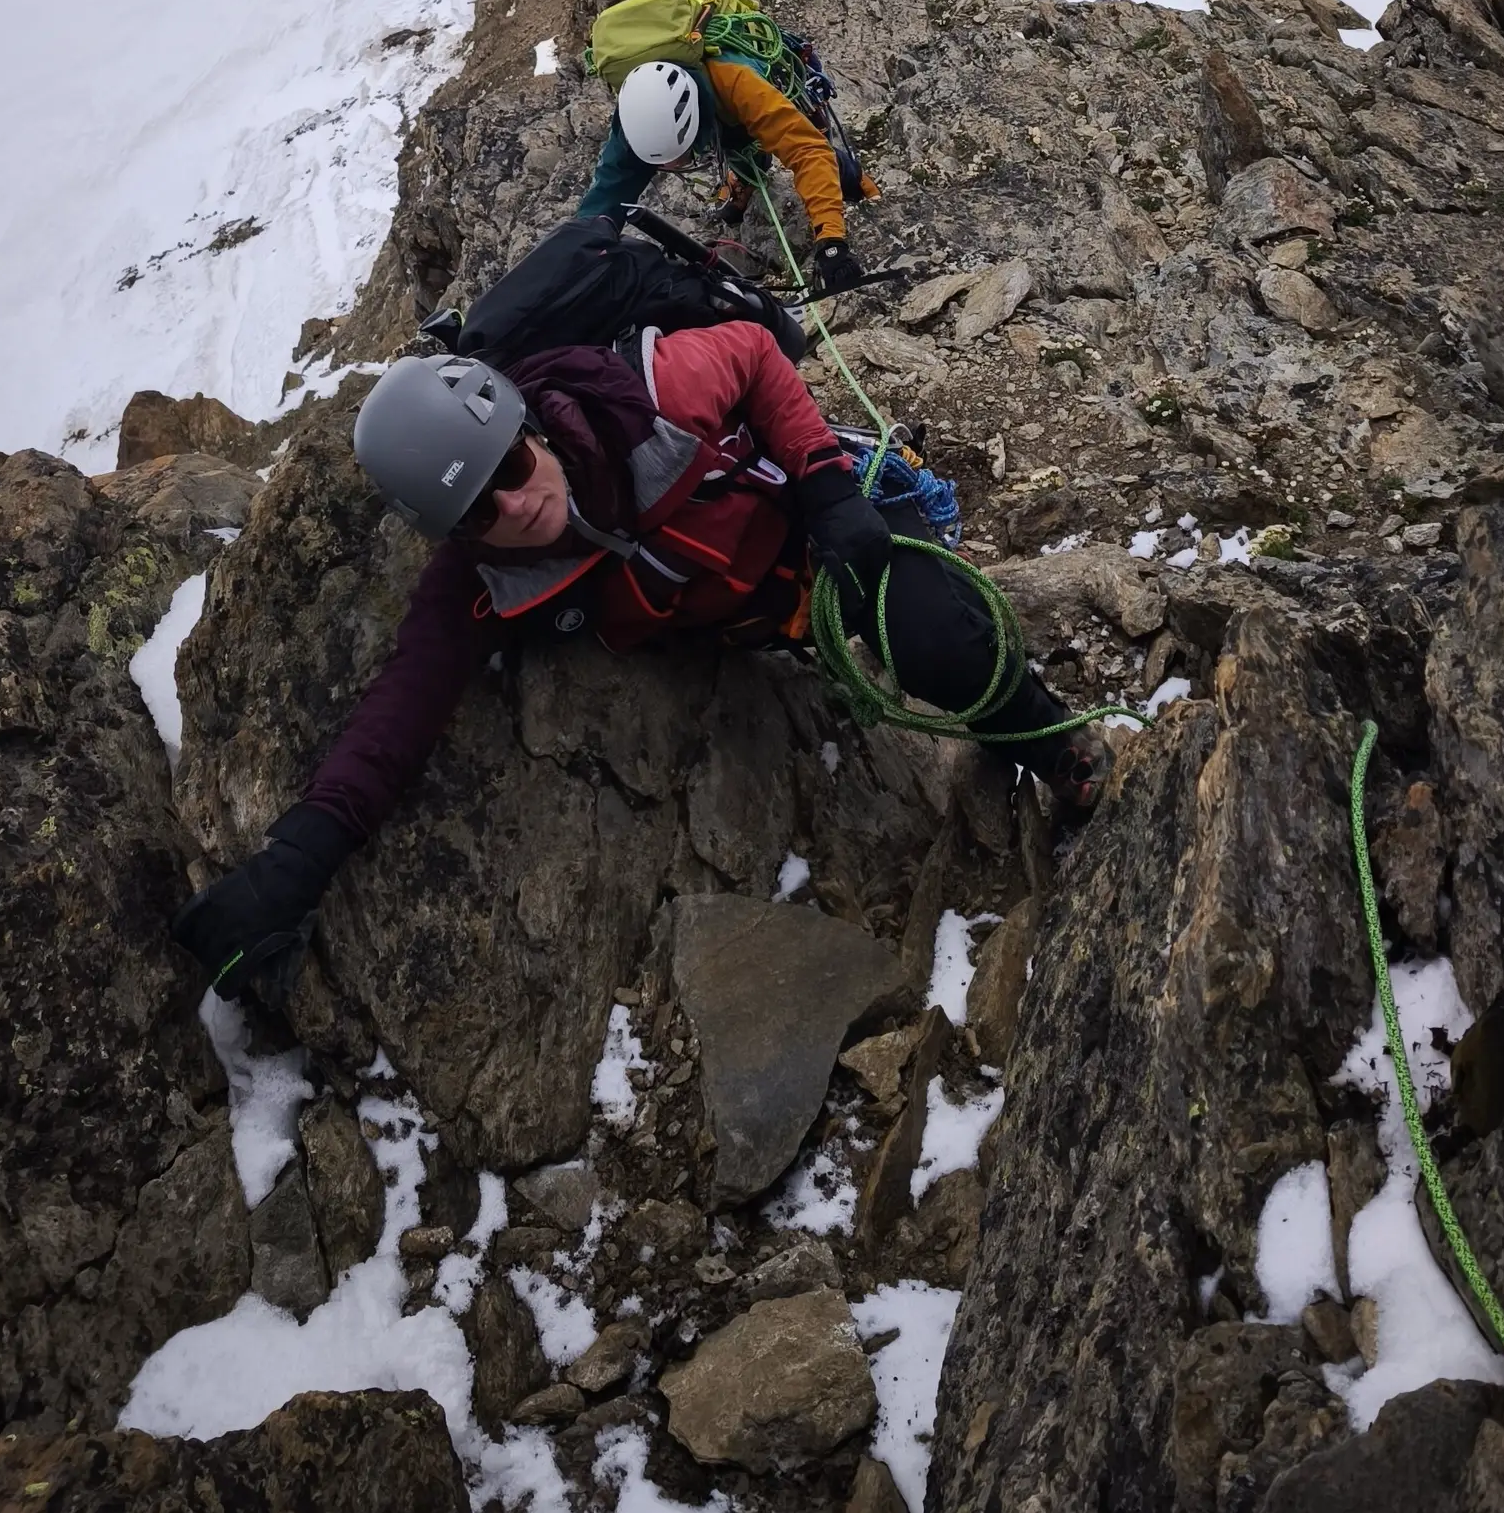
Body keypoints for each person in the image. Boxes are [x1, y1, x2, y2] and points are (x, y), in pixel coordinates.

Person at [172, 320, 1101, 1006]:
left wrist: (824, 483)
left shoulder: (644, 396)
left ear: (526, 424)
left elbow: (754, 352)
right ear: (453, 535)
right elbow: (399, 710)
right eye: (480, 511)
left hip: (825, 527)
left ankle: (1051, 743)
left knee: (941, 638)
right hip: (760, 619)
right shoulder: (486, 582)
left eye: (510, 466)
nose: (516, 506)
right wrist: (297, 860)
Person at [578, 0, 876, 297]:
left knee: (754, 131)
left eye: (682, 154)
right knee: (735, 133)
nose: (679, 165)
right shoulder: (637, 110)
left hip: (729, 40)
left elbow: (806, 150)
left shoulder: (735, 82)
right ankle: (747, 177)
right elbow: (609, 190)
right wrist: (578, 254)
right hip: (679, 27)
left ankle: (855, 179)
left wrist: (831, 242)